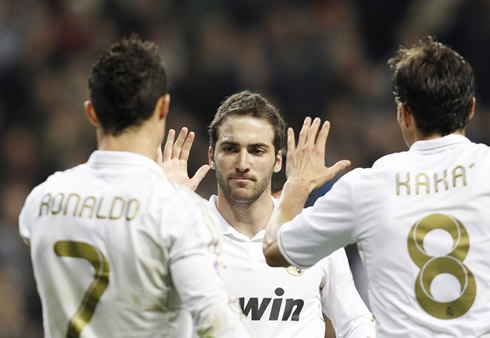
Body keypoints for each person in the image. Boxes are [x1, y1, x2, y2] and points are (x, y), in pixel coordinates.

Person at [18, 34, 251, 338]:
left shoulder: (41, 201)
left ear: (91, 112)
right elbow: (219, 325)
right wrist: (172, 198)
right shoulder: (179, 211)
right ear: (163, 108)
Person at [263, 36, 490, 337]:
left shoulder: (366, 186)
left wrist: (297, 184)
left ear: (404, 114)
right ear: (471, 109)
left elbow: (274, 249)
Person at [163, 90, 376, 338]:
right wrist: (164, 213)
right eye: (231, 148)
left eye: (256, 150)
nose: (242, 163)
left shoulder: (309, 231)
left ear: (277, 161)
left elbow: (355, 322)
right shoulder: (187, 229)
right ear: (212, 156)